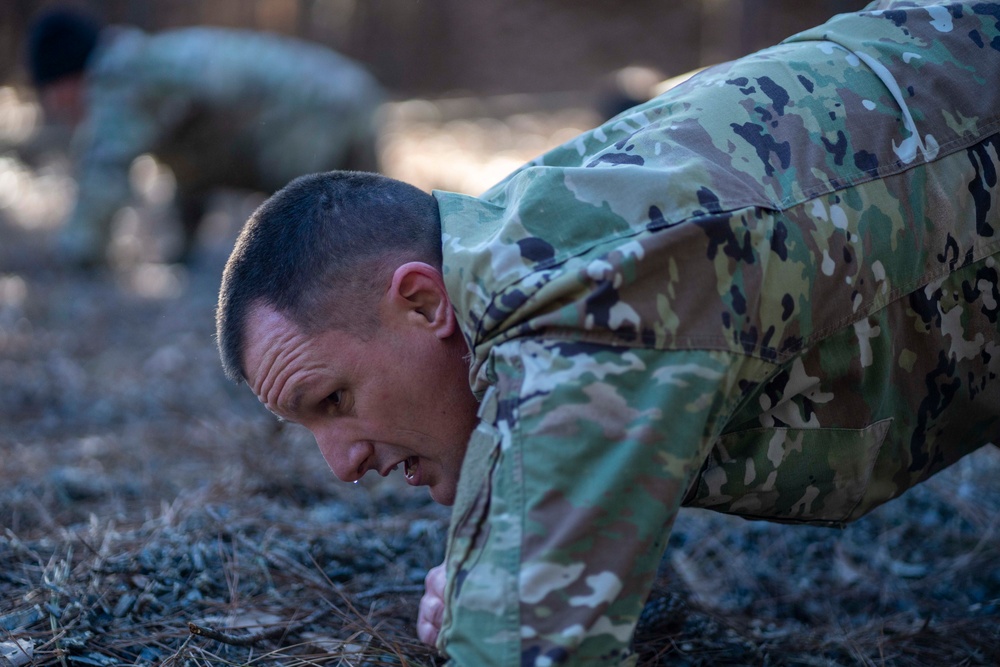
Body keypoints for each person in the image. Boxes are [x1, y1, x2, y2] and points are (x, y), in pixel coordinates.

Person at [215, 0, 1000, 664]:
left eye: (333, 398)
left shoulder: (571, 300)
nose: (343, 463)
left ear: (423, 304)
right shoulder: (521, 243)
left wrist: (497, 594)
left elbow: (522, 647)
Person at [25, 8, 384, 267]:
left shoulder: (121, 76)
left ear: (67, 80)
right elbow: (196, 161)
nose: (55, 109)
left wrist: (77, 254)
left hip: (312, 110)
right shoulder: (151, 65)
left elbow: (104, 169)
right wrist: (183, 250)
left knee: (316, 245)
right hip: (350, 90)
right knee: (377, 233)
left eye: (51, 94)